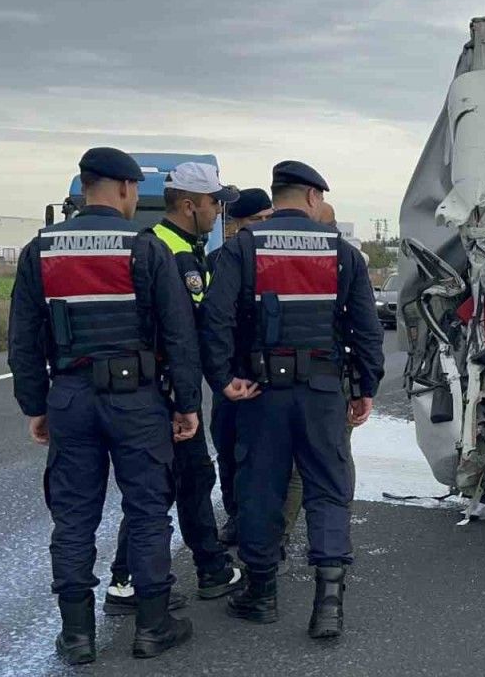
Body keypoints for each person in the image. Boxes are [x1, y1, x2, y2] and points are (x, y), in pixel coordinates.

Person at [8, 147, 199, 664]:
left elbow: (23, 339)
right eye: (134, 191)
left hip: (71, 396)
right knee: (147, 510)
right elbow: (178, 333)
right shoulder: (145, 247)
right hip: (137, 400)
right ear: (124, 188)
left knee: (73, 517)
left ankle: (76, 637)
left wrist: (36, 404)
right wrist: (186, 403)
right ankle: (153, 627)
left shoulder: (40, 249)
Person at [201, 160, 384, 638]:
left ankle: (261, 595)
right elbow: (366, 328)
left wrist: (223, 379)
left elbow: (215, 319)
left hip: (261, 393)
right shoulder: (342, 253)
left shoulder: (243, 247)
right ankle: (329, 604)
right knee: (328, 490)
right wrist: (364, 388)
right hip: (323, 392)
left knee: (260, 489)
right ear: (312, 196)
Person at [104, 163, 244, 615]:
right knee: (165, 483)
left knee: (187, 478)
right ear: (189, 205)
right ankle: (129, 579)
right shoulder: (171, 251)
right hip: (164, 388)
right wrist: (207, 387)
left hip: (163, 384)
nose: (219, 211)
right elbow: (191, 329)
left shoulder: (184, 246)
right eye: (214, 203)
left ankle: (207, 567)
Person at [280, 200, 357, 559]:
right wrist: (364, 385)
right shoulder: (346, 259)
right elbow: (364, 328)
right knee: (334, 463)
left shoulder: (294, 260)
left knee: (300, 469)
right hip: (332, 382)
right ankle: (332, 546)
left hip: (303, 381)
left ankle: (280, 541)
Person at [210, 186, 274, 546]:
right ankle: (236, 516)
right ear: (236, 223)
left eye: (268, 217)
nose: (264, 225)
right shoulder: (217, 260)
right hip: (230, 374)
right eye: (256, 219)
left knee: (265, 456)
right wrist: (221, 375)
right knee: (228, 450)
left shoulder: (276, 259)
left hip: (267, 374)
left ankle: (263, 526)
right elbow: (210, 321)